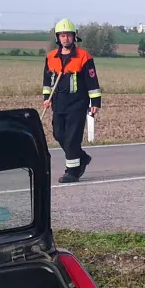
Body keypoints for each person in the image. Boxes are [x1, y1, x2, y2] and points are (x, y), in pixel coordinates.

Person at [41, 19, 102, 183]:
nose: (66, 38)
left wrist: (95, 103)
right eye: (62, 35)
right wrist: (47, 98)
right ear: (58, 38)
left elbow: (92, 81)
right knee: (58, 134)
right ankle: (82, 157)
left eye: (68, 35)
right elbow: (47, 80)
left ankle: (72, 172)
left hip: (77, 103)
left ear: (74, 37)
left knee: (72, 138)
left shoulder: (83, 57)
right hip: (58, 103)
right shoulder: (51, 57)